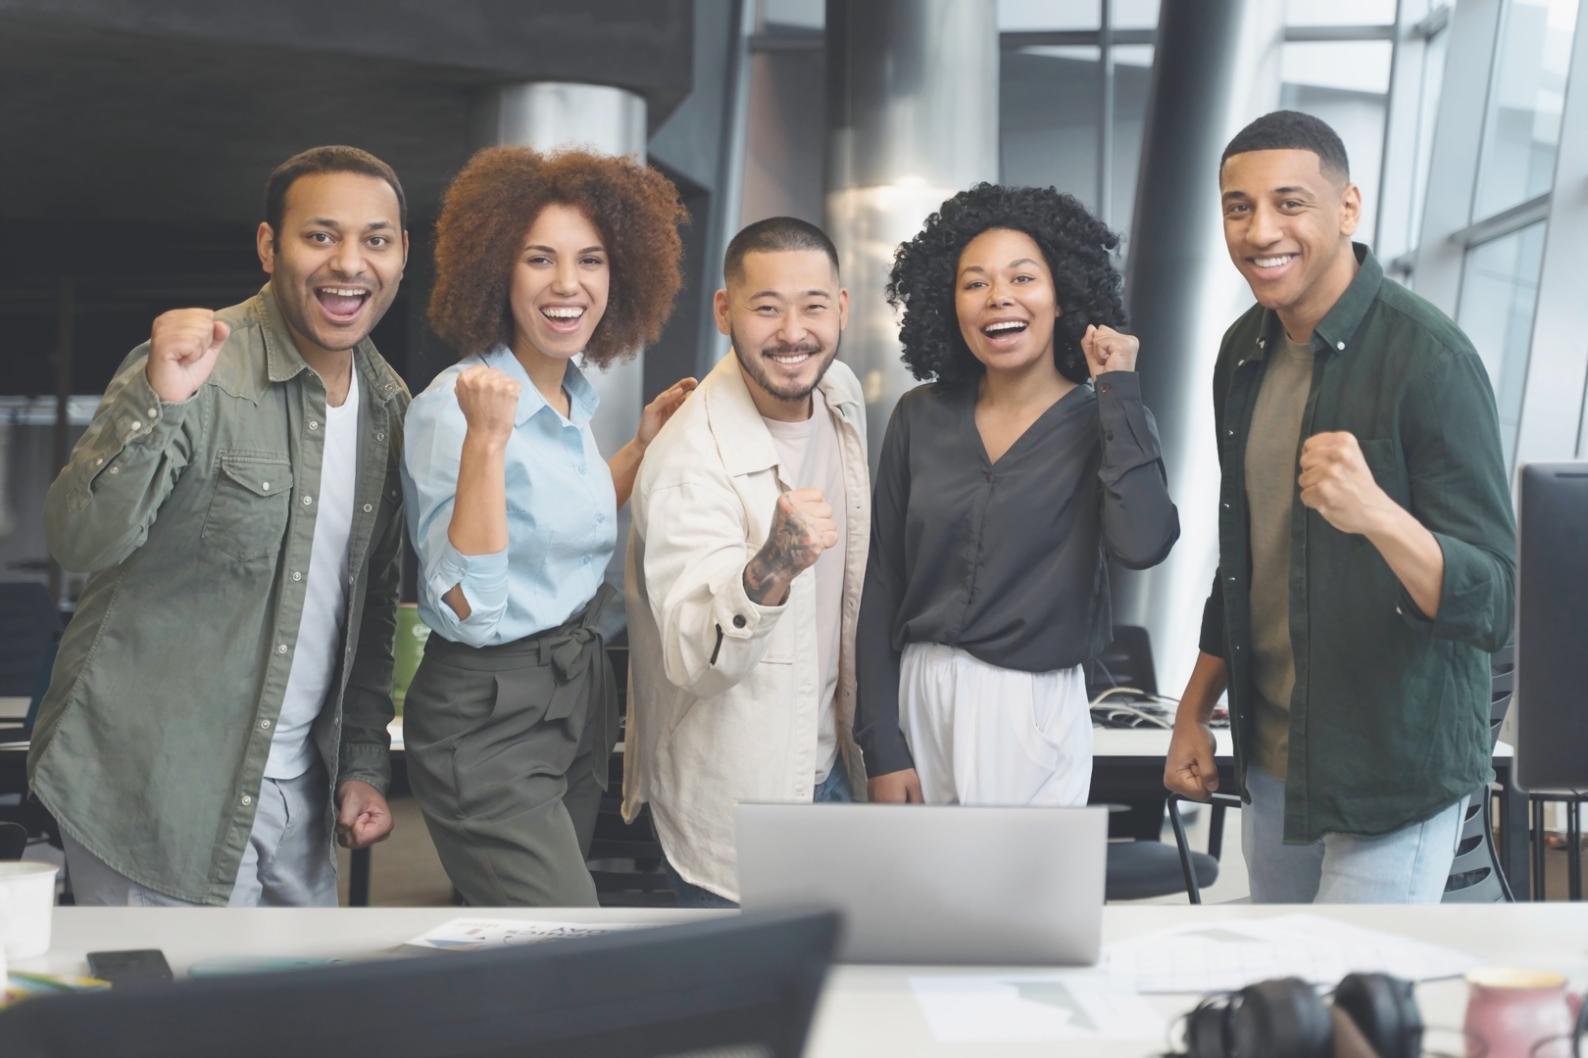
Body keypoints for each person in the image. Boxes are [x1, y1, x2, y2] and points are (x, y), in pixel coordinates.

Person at [29, 146, 410, 906]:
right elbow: (78, 542)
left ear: (402, 255)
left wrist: (363, 759)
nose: (349, 263)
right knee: (163, 1026)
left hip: (300, 797)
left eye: (376, 239)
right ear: (270, 246)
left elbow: (370, 608)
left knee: (290, 1023)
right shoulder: (197, 366)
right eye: (320, 235)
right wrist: (159, 401)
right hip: (153, 789)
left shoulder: (392, 406)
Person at [1162, 111, 1516, 903]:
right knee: (1287, 1003)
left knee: (1354, 1005)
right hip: (1279, 762)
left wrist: (1378, 515)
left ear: (1347, 209)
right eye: (1238, 207)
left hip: (1392, 767)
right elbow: (1246, 557)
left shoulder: (1433, 359)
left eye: (1290, 203)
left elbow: (1493, 600)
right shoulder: (1242, 351)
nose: (1260, 232)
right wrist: (1193, 708)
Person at [402, 146, 693, 907]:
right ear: (497, 268)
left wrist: (638, 448)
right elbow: (466, 605)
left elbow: (565, 521)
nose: (569, 284)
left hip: (576, 692)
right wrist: (486, 443)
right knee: (560, 926)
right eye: (540, 259)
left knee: (520, 944)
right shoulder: (457, 408)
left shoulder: (569, 399)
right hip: (489, 710)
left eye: (591, 260)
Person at [856, 183, 1179, 807]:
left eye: (1023, 278)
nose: (998, 296)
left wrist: (1119, 390)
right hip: (916, 697)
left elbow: (1142, 543)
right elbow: (880, 583)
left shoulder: (1104, 418)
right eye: (974, 283)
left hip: (1031, 705)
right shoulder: (918, 417)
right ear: (949, 305)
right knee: (914, 905)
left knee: (1019, 906)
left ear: (1062, 297)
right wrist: (881, 744)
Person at [623, 217, 869, 907]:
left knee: (844, 1001)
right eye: (767, 308)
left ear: (841, 308)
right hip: (738, 805)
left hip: (832, 770)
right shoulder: (687, 461)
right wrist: (775, 565)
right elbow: (696, 660)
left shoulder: (840, 393)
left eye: (813, 306)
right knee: (746, 1009)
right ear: (726, 311)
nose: (793, 332)